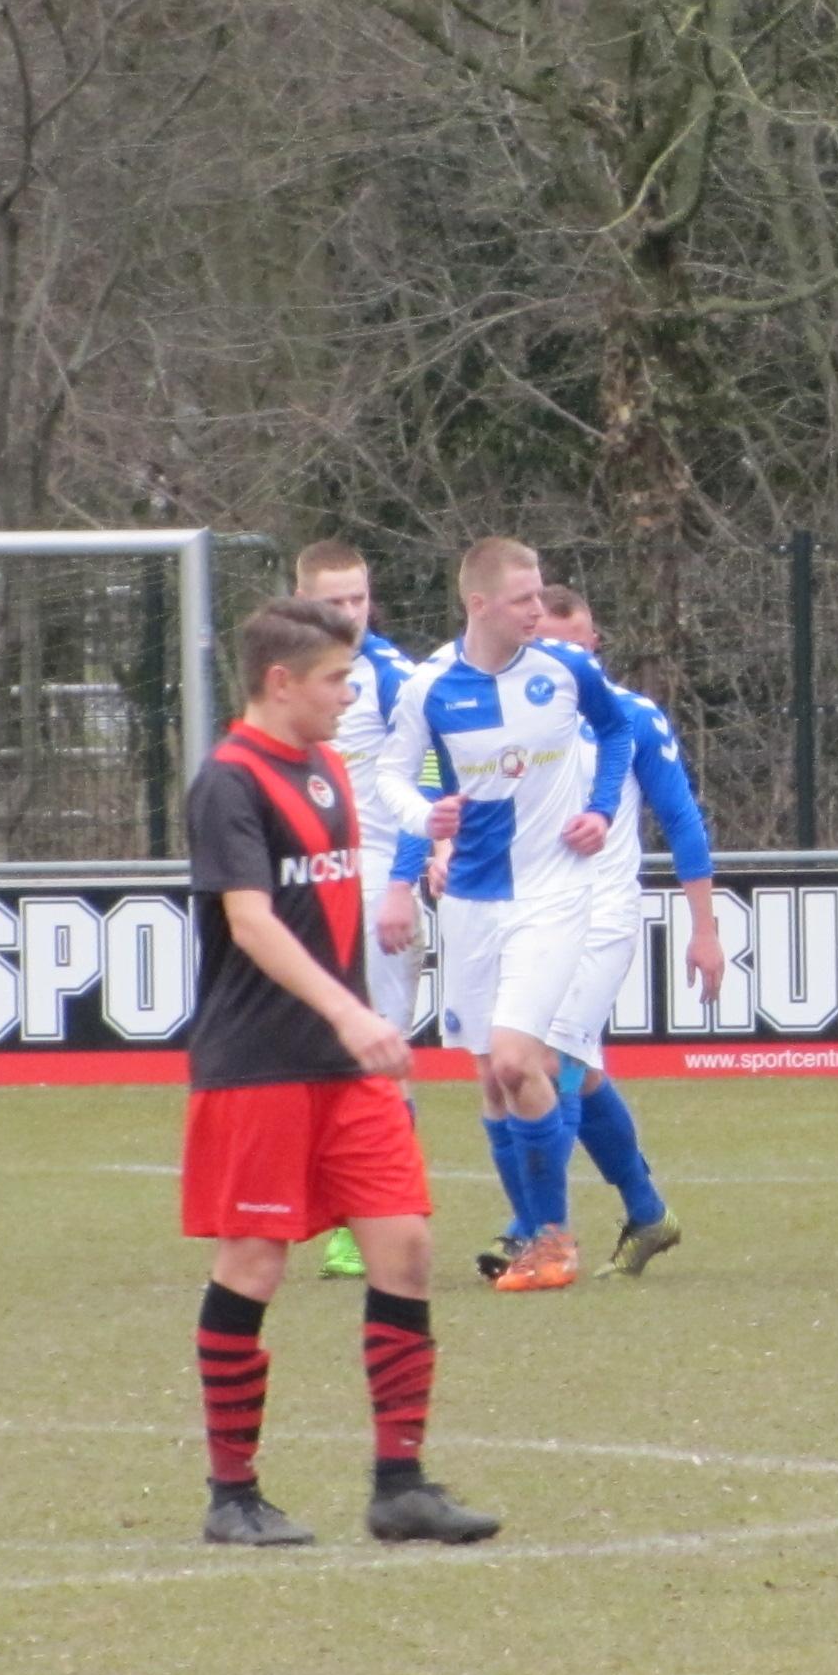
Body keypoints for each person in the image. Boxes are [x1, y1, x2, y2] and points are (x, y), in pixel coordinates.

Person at [181, 598, 498, 1547]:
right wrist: (352, 1011)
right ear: (280, 682)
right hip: (259, 1066)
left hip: (345, 1067)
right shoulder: (229, 781)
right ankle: (233, 1494)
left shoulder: (326, 768)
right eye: (335, 680)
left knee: (406, 1245)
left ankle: (401, 1486)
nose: (349, 695)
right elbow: (250, 923)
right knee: (254, 1262)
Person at [375, 539, 634, 1293]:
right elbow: (391, 775)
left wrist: (600, 808)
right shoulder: (429, 688)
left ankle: (553, 1243)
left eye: (541, 594)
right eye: (523, 598)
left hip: (553, 895)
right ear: (479, 604)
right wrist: (425, 818)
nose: (537, 610)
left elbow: (616, 732)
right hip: (470, 901)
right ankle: (531, 1233)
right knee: (492, 1079)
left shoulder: (567, 670)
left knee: (520, 1061)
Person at [527, 588, 728, 1275]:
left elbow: (683, 822)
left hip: (603, 920)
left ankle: (534, 1230)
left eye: (576, 645)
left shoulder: (633, 719)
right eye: (550, 647)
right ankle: (647, 1213)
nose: (566, 659)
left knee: (554, 1061)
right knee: (574, 1072)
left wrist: (705, 930)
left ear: (595, 645)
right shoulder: (516, 726)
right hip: (533, 919)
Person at [289, 539, 427, 1281]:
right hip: (309, 881)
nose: (350, 613)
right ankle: (337, 1210)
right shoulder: (287, 676)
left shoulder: (395, 677)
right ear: (302, 600)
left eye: (359, 598)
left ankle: (379, 1218)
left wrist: (404, 883)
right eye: (334, 601)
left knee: (379, 1056)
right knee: (317, 1055)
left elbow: (424, 783)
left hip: (375, 883)